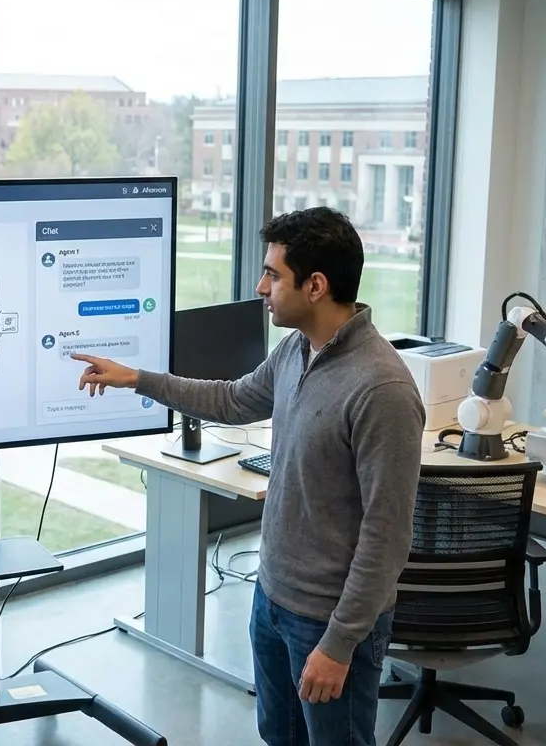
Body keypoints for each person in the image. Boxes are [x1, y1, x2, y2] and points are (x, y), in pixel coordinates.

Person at [73, 207, 425, 746]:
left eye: (273, 275)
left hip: (329, 622)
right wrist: (137, 379)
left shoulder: (383, 391)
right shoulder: (296, 350)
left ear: (315, 285)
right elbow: (234, 399)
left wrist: (338, 643)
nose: (261, 287)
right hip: (273, 599)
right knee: (279, 737)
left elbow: (387, 533)